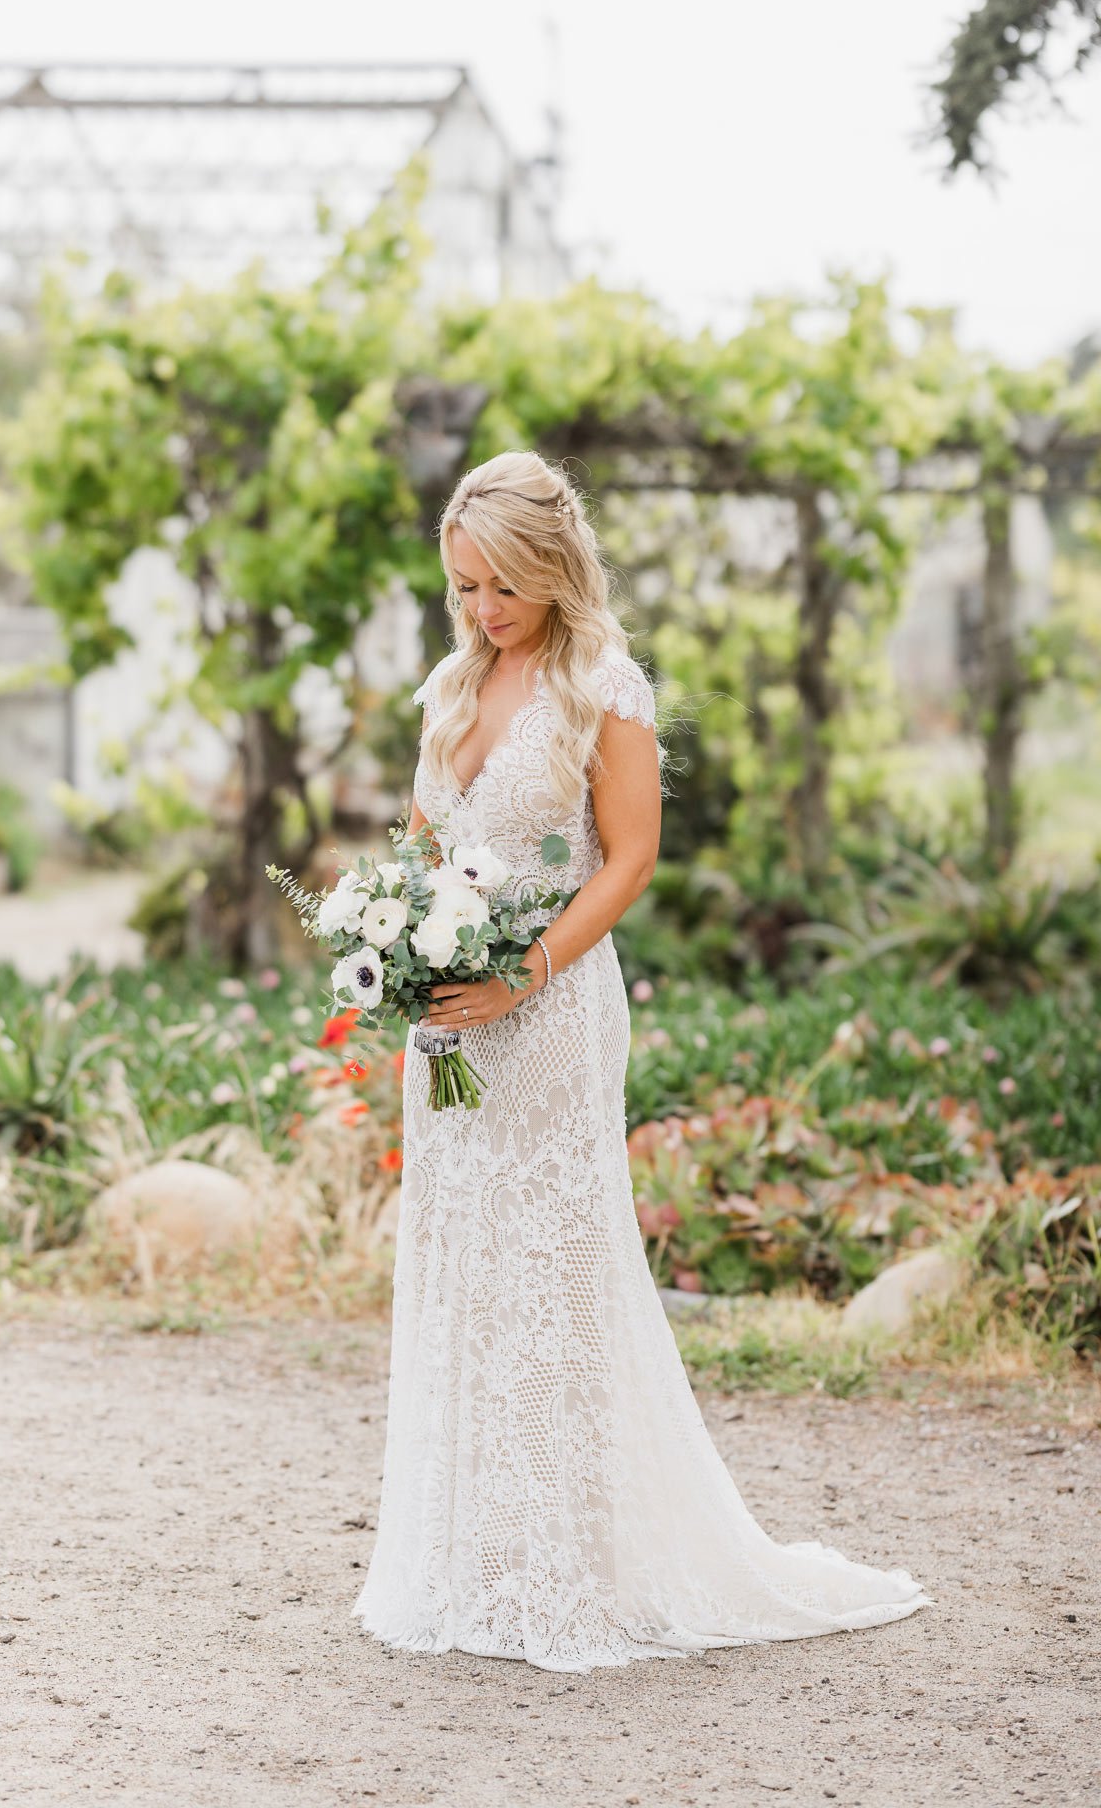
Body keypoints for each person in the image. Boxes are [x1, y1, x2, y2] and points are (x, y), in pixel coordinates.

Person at [351, 450, 934, 1675]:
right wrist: (397, 949)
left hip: (550, 1011)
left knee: (549, 1269)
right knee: (462, 1256)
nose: (479, 611)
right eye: (461, 588)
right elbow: (420, 846)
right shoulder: (451, 686)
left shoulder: (602, 684)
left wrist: (524, 973)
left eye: (499, 587)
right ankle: (468, 1562)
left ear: (551, 570)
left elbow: (625, 858)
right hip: (446, 1021)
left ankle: (564, 1565)